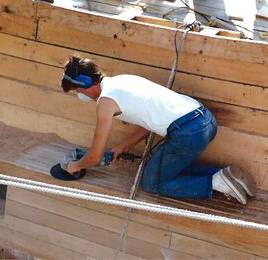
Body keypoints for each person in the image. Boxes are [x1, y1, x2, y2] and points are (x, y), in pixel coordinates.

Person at [61, 55, 255, 204]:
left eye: (77, 90)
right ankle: (225, 175)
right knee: (170, 166)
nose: (79, 95)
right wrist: (125, 145)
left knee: (151, 183)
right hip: (205, 119)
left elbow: (95, 156)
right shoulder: (123, 80)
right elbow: (149, 119)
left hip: (188, 134)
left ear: (85, 84)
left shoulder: (105, 102)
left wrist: (75, 167)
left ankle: (216, 183)